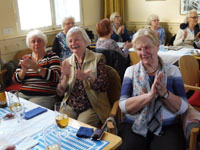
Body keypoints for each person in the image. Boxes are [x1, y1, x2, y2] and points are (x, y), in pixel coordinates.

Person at [118, 28, 188, 150]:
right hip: (135, 123)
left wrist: (164, 94)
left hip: (167, 125)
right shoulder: (131, 71)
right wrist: (149, 96)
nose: (143, 52)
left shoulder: (172, 71)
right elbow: (123, 106)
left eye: (147, 47)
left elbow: (183, 107)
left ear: (157, 46)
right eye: (139, 49)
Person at [56, 27, 111, 127]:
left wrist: (88, 77)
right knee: (60, 126)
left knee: (79, 129)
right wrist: (66, 78)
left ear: (85, 41)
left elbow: (104, 86)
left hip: (92, 105)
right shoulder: (67, 62)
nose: (73, 43)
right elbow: (60, 93)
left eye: (77, 40)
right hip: (71, 105)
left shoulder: (98, 59)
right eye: (70, 41)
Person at [13, 30, 61, 110]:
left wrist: (35, 67)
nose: (36, 43)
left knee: (30, 112)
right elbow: (15, 80)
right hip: (23, 94)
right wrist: (23, 71)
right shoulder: (25, 58)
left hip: (44, 96)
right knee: (12, 110)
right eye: (33, 41)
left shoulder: (52, 57)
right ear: (29, 44)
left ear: (44, 43)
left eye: (39, 41)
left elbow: (56, 78)